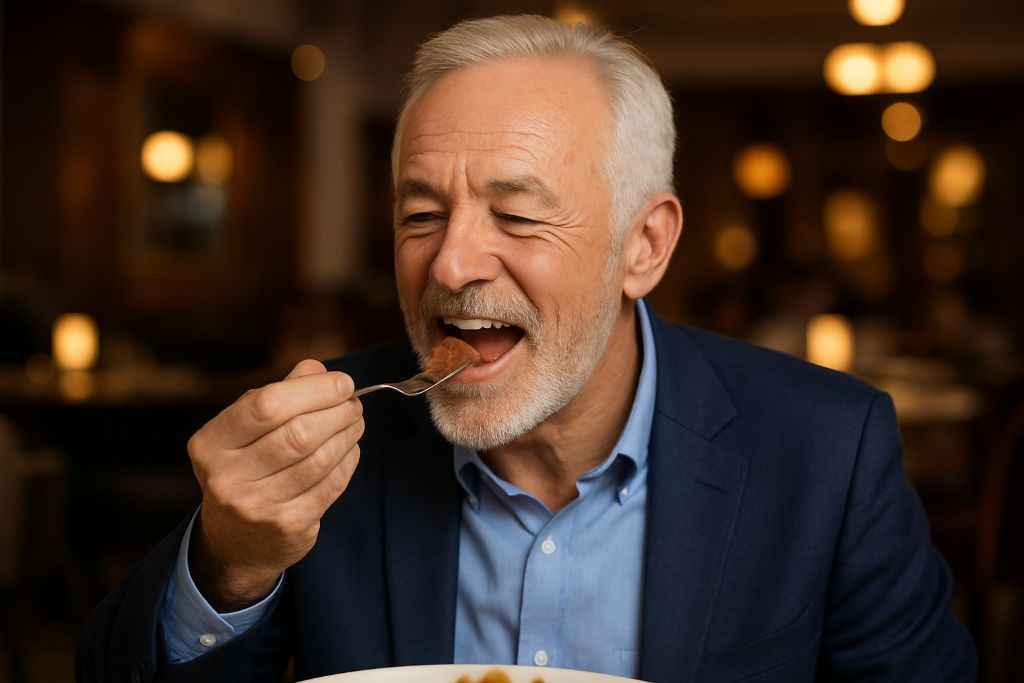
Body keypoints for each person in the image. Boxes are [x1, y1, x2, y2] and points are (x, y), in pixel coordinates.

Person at [77, 15, 976, 683]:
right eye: (421, 215)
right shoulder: (322, 436)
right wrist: (230, 562)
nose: (454, 261)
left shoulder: (827, 448)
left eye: (517, 213)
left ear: (645, 246)